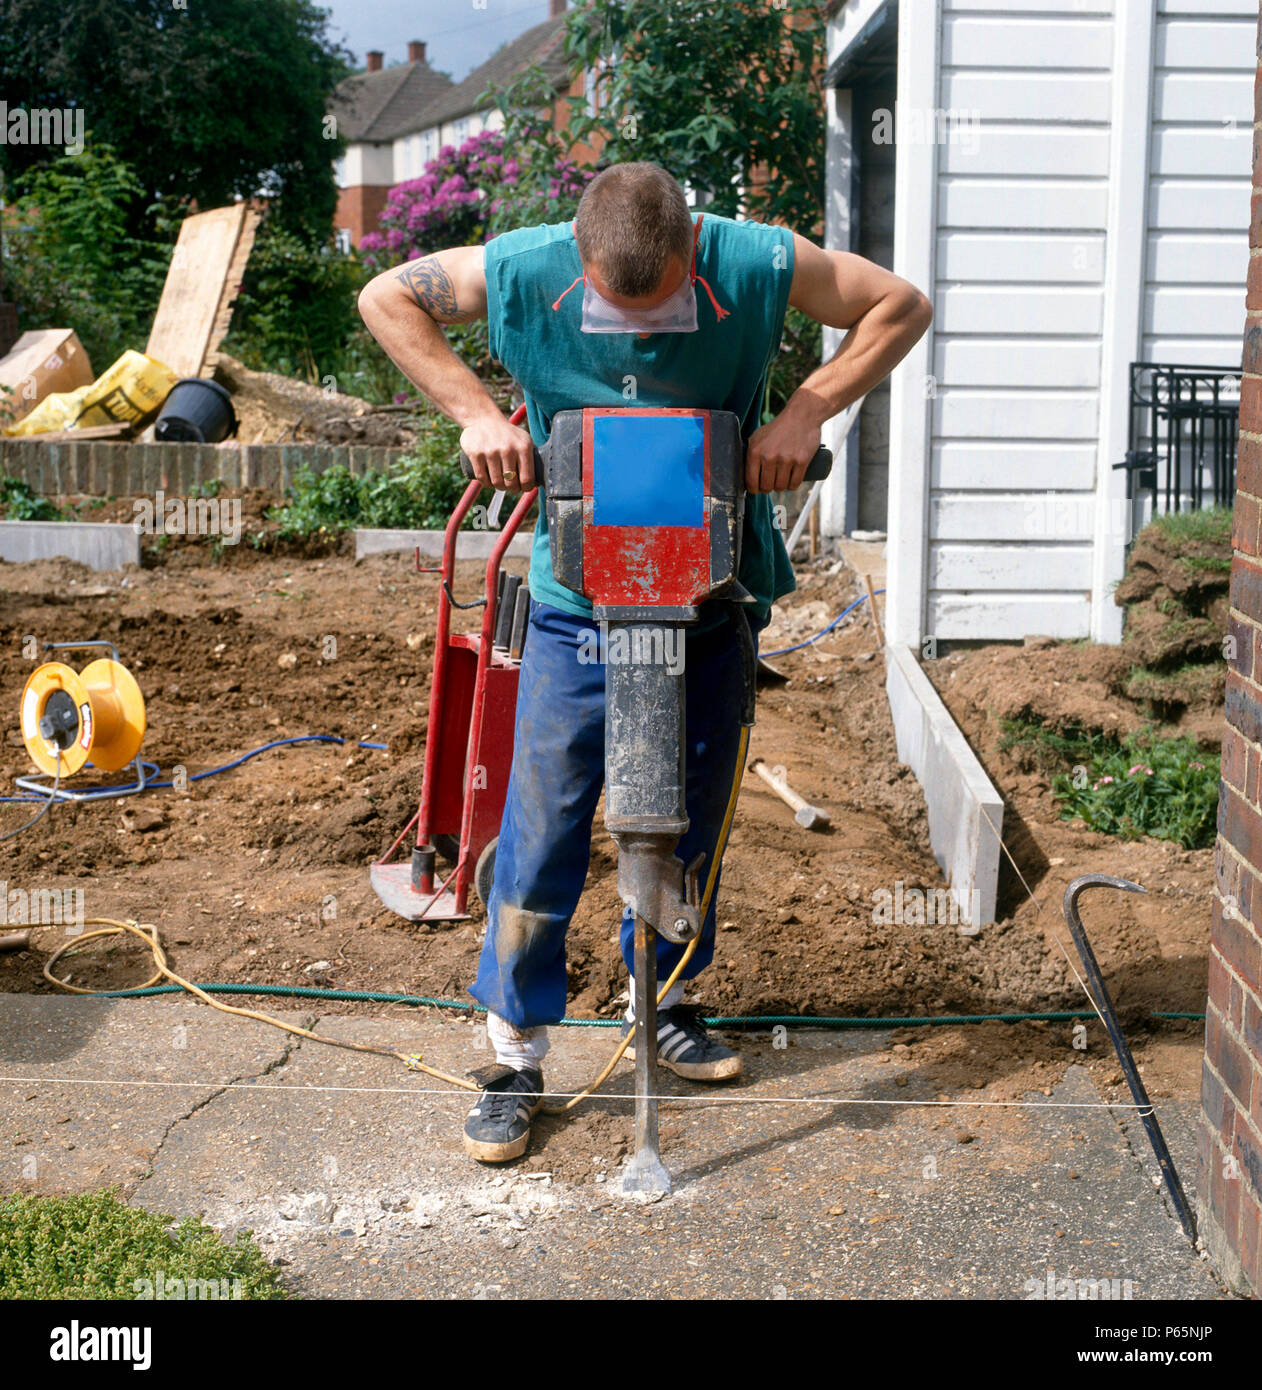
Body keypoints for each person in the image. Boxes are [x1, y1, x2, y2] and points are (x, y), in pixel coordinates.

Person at [359, 162, 932, 1162]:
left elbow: (898, 303)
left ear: (691, 250)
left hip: (708, 595)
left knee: (685, 822)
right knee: (540, 832)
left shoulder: (753, 261)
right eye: (614, 305)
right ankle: (513, 1054)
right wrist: (473, 415)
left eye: (659, 300)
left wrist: (806, 410)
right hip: (576, 604)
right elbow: (385, 296)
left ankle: (664, 1001)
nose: (636, 324)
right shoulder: (521, 267)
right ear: (575, 259)